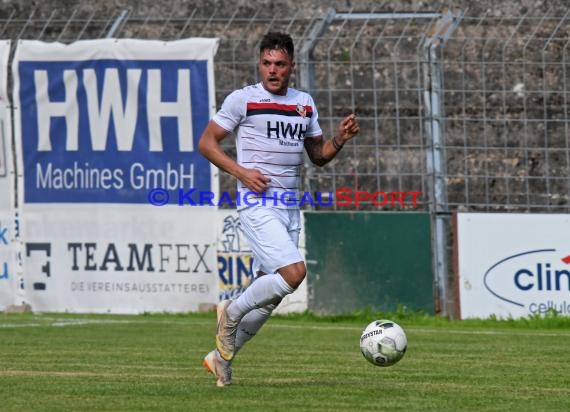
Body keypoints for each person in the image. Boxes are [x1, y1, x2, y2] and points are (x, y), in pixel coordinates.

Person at [198, 31, 359, 387]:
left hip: (289, 206)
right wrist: (241, 172)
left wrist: (340, 140)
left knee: (270, 296)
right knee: (294, 273)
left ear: (291, 67)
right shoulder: (243, 100)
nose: (273, 70)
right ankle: (231, 311)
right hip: (257, 204)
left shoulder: (304, 104)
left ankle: (220, 357)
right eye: (267, 63)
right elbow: (207, 144)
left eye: (280, 64)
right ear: (260, 64)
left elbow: (317, 157)